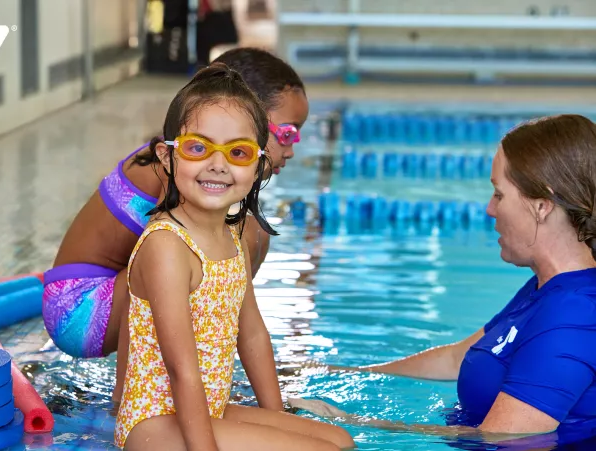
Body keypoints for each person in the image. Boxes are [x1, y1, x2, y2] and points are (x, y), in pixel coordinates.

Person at [289, 114, 596, 444]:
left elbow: (502, 437)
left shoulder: (574, 315)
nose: (490, 210)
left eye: (499, 195)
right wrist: (338, 372)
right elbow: (456, 357)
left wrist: (351, 422)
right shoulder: (549, 288)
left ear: (542, 206)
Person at [42, 47, 309, 401]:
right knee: (236, 238)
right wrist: (122, 404)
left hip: (106, 298)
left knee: (238, 236)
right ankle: (154, 387)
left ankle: (201, 367)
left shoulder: (195, 165)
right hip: (79, 309)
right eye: (287, 133)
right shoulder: (175, 169)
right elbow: (148, 270)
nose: (291, 150)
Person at [113, 62, 353, 451]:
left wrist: (277, 419)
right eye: (197, 147)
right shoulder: (167, 247)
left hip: (209, 408)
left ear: (258, 164)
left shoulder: (231, 233)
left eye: (237, 152)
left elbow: (252, 331)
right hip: (154, 422)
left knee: (339, 441)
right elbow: (181, 368)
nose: (218, 164)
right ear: (167, 157)